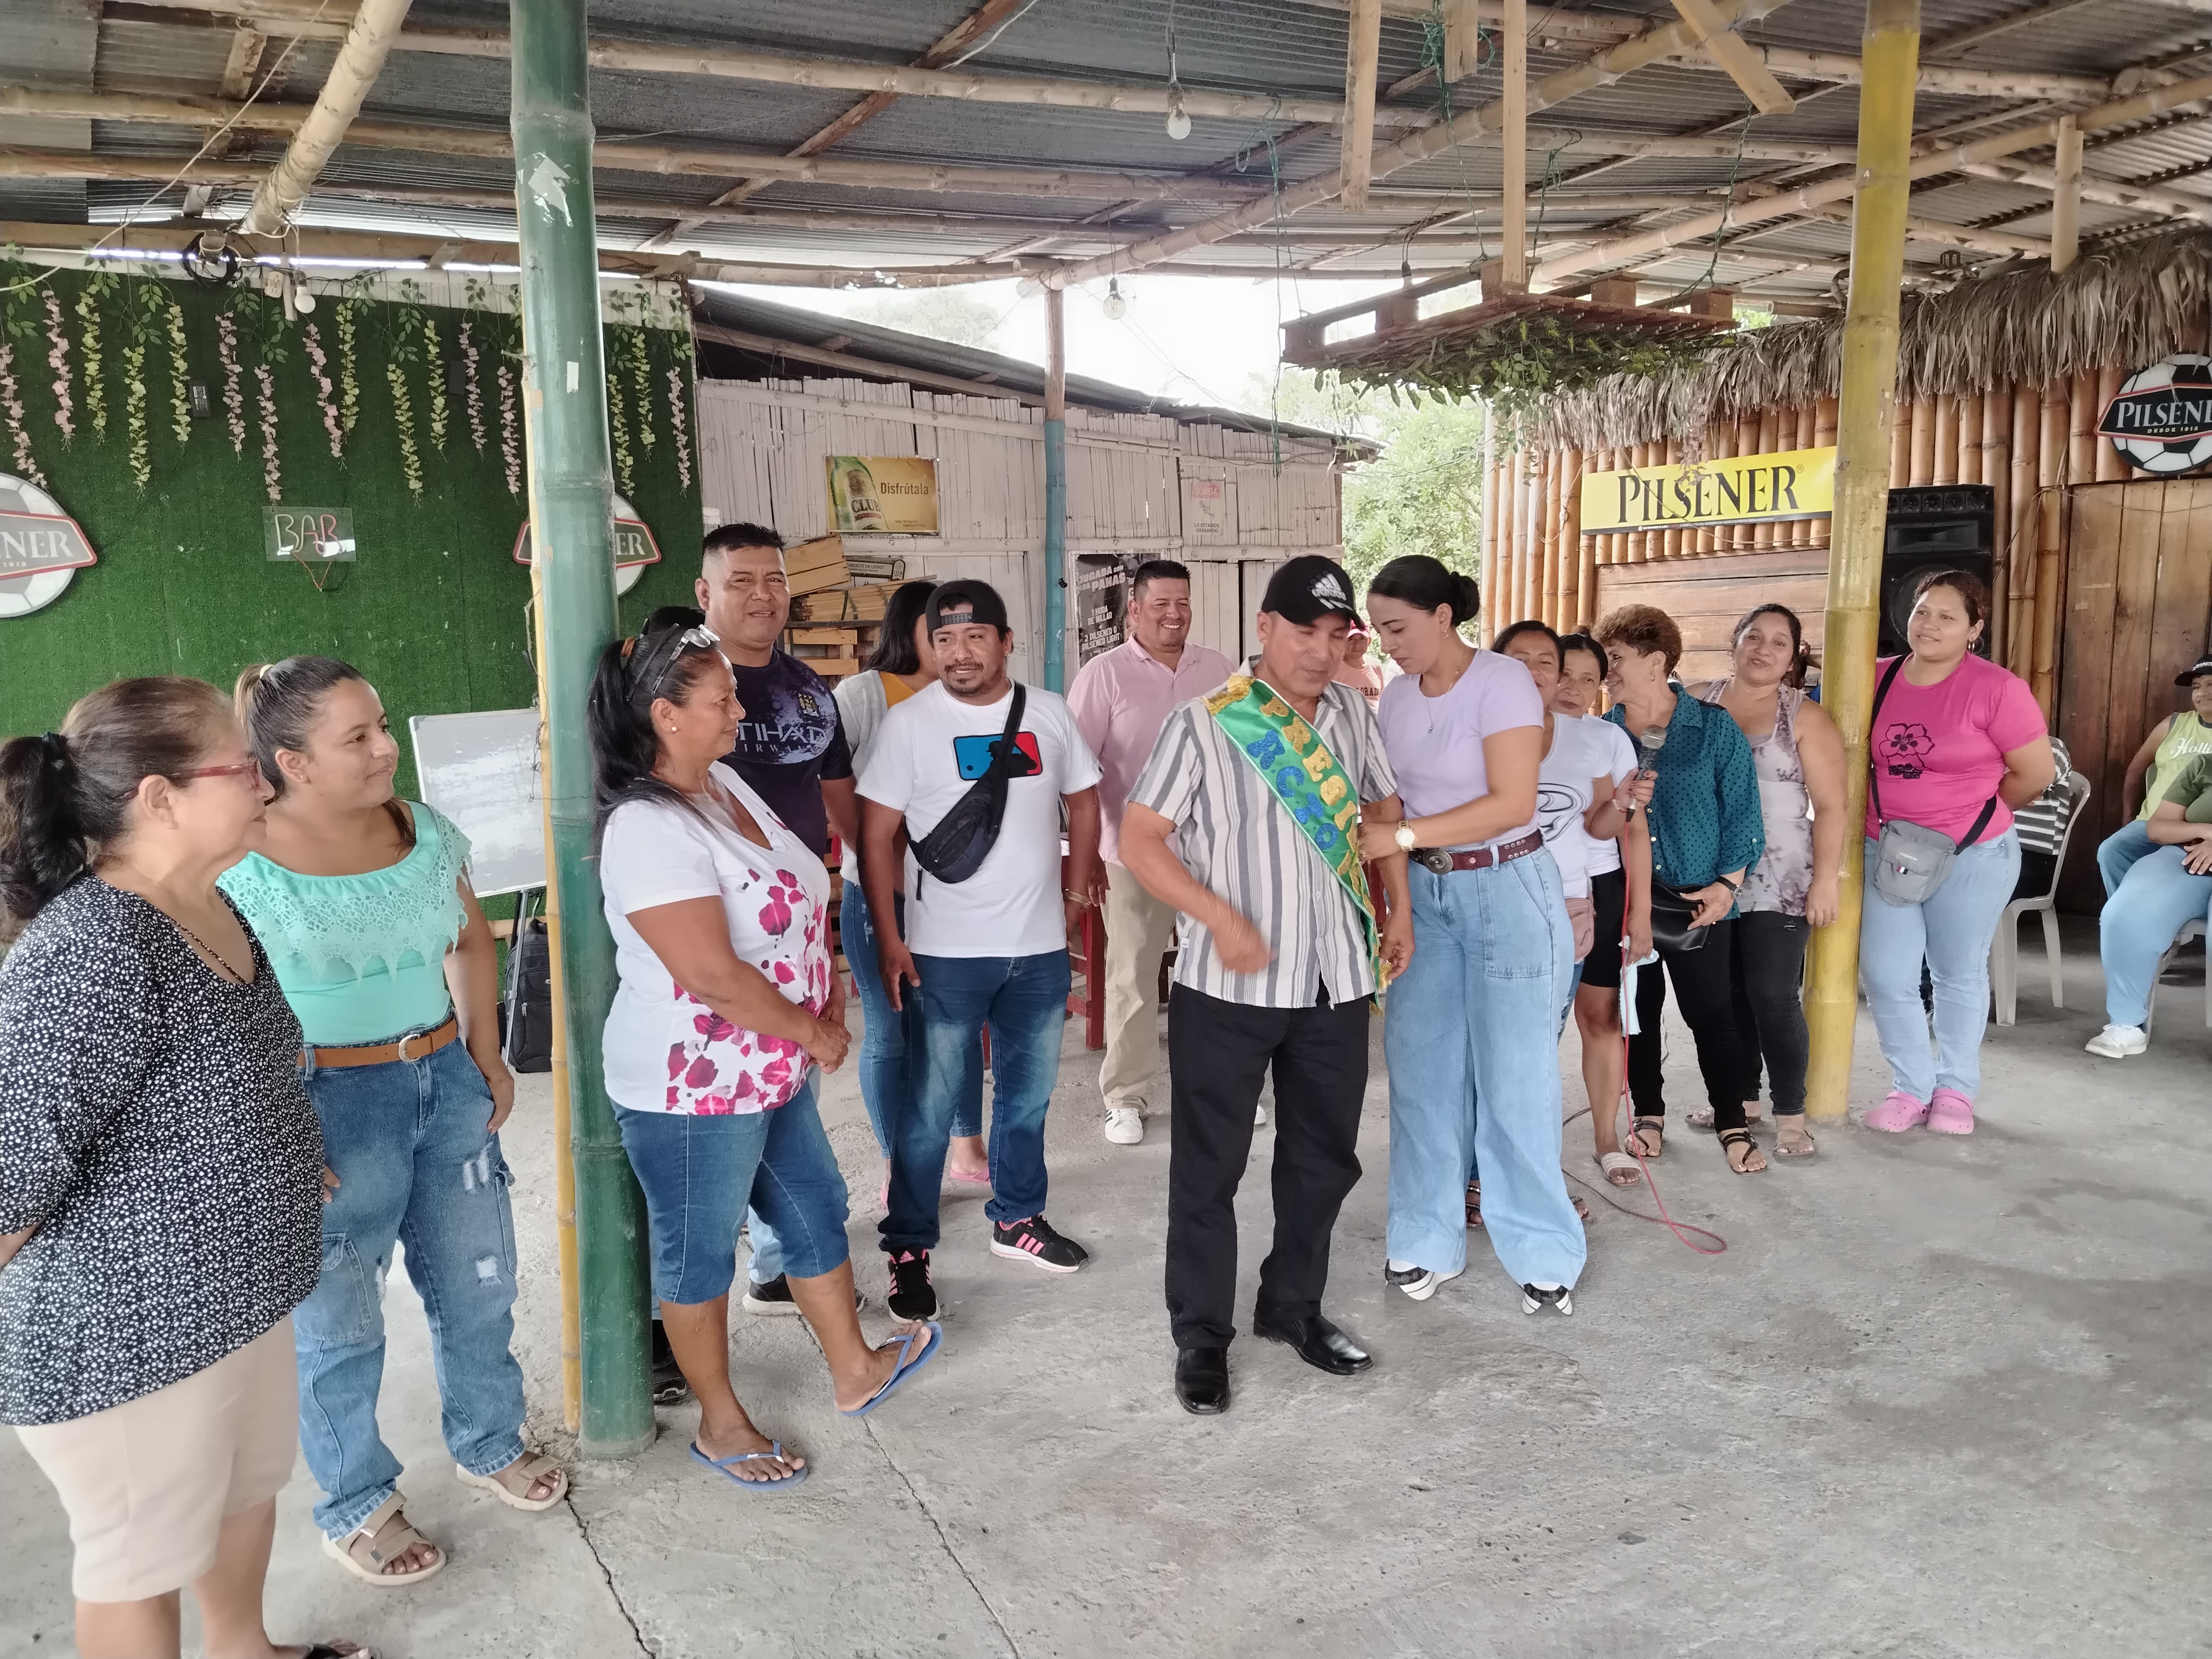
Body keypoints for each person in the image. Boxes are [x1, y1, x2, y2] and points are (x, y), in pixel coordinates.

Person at [1, 679, 365, 1659]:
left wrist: (282, 1159)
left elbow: (228, 1080)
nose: (266, 783)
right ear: (159, 798)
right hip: (128, 1335)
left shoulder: (210, 904)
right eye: (243, 766)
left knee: (245, 1493)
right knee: (138, 1562)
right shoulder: (89, 952)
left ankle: (243, 1650)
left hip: (237, 1299)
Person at [223, 659, 561, 1583]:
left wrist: (485, 1055)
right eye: (359, 737)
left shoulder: (423, 830)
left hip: (444, 1078)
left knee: (478, 1282)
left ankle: (489, 1440)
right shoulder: (241, 862)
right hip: (323, 1104)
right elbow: (224, 1013)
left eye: (382, 725)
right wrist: (273, 1129)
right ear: (293, 763)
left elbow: (469, 940)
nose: (385, 748)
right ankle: (355, 1501)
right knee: (337, 1319)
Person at [588, 613, 940, 1491]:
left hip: (769, 1065)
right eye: (721, 700)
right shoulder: (647, 827)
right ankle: (721, 1422)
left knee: (814, 1205)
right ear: (666, 716)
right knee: (699, 1249)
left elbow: (796, 889)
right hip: (693, 1083)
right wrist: (813, 1029)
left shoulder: (725, 785)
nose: (739, 711)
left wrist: (822, 986)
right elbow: (710, 974)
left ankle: (855, 1366)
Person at [1119, 555, 1413, 1413]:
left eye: (1336, 635)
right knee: (1208, 1171)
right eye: (1303, 632)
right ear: (1264, 628)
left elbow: (1382, 812)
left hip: (1336, 981)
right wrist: (1216, 916)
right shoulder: (1208, 722)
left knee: (1323, 1161)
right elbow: (1141, 840)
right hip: (1227, 988)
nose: (1320, 652)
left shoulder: (1354, 714)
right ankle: (1201, 1335)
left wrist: (1399, 910)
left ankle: (1292, 1306)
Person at [858, 580, 1104, 1321]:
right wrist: (891, 938)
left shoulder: (1050, 714)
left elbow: (1085, 801)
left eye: (974, 637)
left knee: (1027, 1098)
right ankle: (908, 1248)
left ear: (1004, 642)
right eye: (944, 639)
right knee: (930, 1107)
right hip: (945, 955)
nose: (959, 652)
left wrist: (1075, 897)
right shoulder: (909, 725)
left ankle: (1018, 1218)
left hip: (1038, 951)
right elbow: (875, 835)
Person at [693, 523, 878, 1311]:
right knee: (711, 1113)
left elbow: (838, 807)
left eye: (774, 579)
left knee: (787, 1092)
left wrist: (861, 906)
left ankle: (776, 1263)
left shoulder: (809, 689)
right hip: (706, 928)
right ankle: (681, 1299)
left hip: (792, 927)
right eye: (741, 580)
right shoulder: (678, 687)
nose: (762, 595)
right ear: (705, 593)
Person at [1858, 570, 2053, 1134]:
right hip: (1887, 848)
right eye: (1922, 611)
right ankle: (1909, 1088)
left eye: (1947, 616)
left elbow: (2035, 774)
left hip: (1974, 853)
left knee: (1957, 972)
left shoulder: (1998, 688)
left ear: (1974, 628)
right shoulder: (1876, 676)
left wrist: (1969, 818)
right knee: (1886, 974)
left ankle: (1954, 1091)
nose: (1929, 624)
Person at [1594, 604, 1768, 1175]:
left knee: (1712, 1013)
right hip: (1627, 899)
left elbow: (1744, 814)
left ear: (1656, 661)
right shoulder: (1602, 733)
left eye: (1616, 657)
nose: (1606, 670)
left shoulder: (1712, 727)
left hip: (1701, 899)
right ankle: (1647, 1114)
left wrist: (1726, 887)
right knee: (1637, 1015)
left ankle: (1732, 1122)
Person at [1067, 559, 1235, 1147]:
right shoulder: (1103, 676)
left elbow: (1242, 753)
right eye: (1160, 603)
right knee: (1134, 978)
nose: (1173, 614)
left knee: (1218, 977)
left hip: (1211, 851)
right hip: (1133, 854)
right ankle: (1126, 1098)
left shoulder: (1217, 669)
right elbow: (1076, 772)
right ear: (1134, 610)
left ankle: (1221, 1091)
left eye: (1182, 603)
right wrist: (1088, 855)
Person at [1683, 605, 1846, 1161]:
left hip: (1780, 876)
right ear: (1734, 641)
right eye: (1754, 637)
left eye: (1779, 642)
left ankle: (1792, 1116)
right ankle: (1743, 1100)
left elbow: (1831, 807)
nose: (1764, 650)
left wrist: (1826, 882)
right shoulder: (1696, 701)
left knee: (1772, 996)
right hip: (1708, 874)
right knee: (1726, 996)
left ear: (1793, 656)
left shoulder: (1804, 716)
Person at [1493, 621, 1651, 1194]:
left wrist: (1638, 914)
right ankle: (1513, 1160)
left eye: (1588, 680)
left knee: (1600, 1017)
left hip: (1595, 891)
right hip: (1516, 887)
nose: (1573, 689)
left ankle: (1607, 1140)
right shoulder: (1504, 730)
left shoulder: (1603, 739)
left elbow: (1624, 827)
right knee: (1530, 1028)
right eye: (1566, 674)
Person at [832, 581, 978, 1194]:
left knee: (956, 1021)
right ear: (908, 630)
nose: (954, 646)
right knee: (891, 1028)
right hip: (880, 895)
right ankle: (901, 1164)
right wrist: (879, 866)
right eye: (939, 631)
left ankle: (966, 1146)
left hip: (953, 892)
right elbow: (832, 789)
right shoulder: (864, 695)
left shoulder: (971, 696)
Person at [2086, 748, 2212, 1057]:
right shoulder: (2204, 764)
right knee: (2126, 914)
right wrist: (2203, 831)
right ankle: (2126, 1023)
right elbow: (2158, 828)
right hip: (2187, 857)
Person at [2097, 656, 2212, 895]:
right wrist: (2129, 819)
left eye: (2211, 685)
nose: (2202, 693)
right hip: (2154, 823)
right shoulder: (2173, 725)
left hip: (2203, 830)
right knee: (2112, 850)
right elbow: (2136, 770)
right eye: (2196, 687)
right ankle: (2124, 911)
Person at [1332, 619, 1389, 709]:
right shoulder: (1334, 670)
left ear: (1369, 641)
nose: (1357, 644)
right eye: (1351, 639)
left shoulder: (1376, 667)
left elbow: (1383, 702)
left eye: (1362, 638)